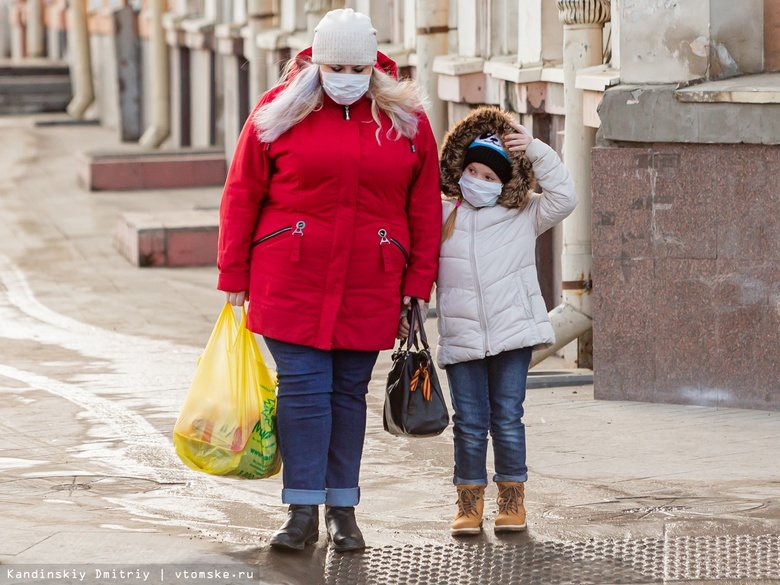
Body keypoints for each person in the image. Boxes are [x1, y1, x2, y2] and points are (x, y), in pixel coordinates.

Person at [216, 8, 441, 552]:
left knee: (346, 394)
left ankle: (343, 508)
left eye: (355, 66)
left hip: (373, 279)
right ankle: (301, 511)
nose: (345, 76)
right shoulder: (278, 111)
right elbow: (241, 191)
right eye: (334, 64)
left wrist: (419, 281)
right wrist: (233, 271)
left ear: (373, 66)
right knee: (304, 389)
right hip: (289, 276)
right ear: (316, 61)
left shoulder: (406, 120)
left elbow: (424, 206)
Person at [434, 106, 577, 535]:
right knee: (469, 422)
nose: (477, 180)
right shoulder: (443, 215)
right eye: (472, 170)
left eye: (489, 175)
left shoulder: (524, 214)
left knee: (508, 418)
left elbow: (565, 196)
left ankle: (512, 499)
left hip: (512, 335)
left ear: (506, 183)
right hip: (461, 337)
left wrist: (533, 148)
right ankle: (469, 501)